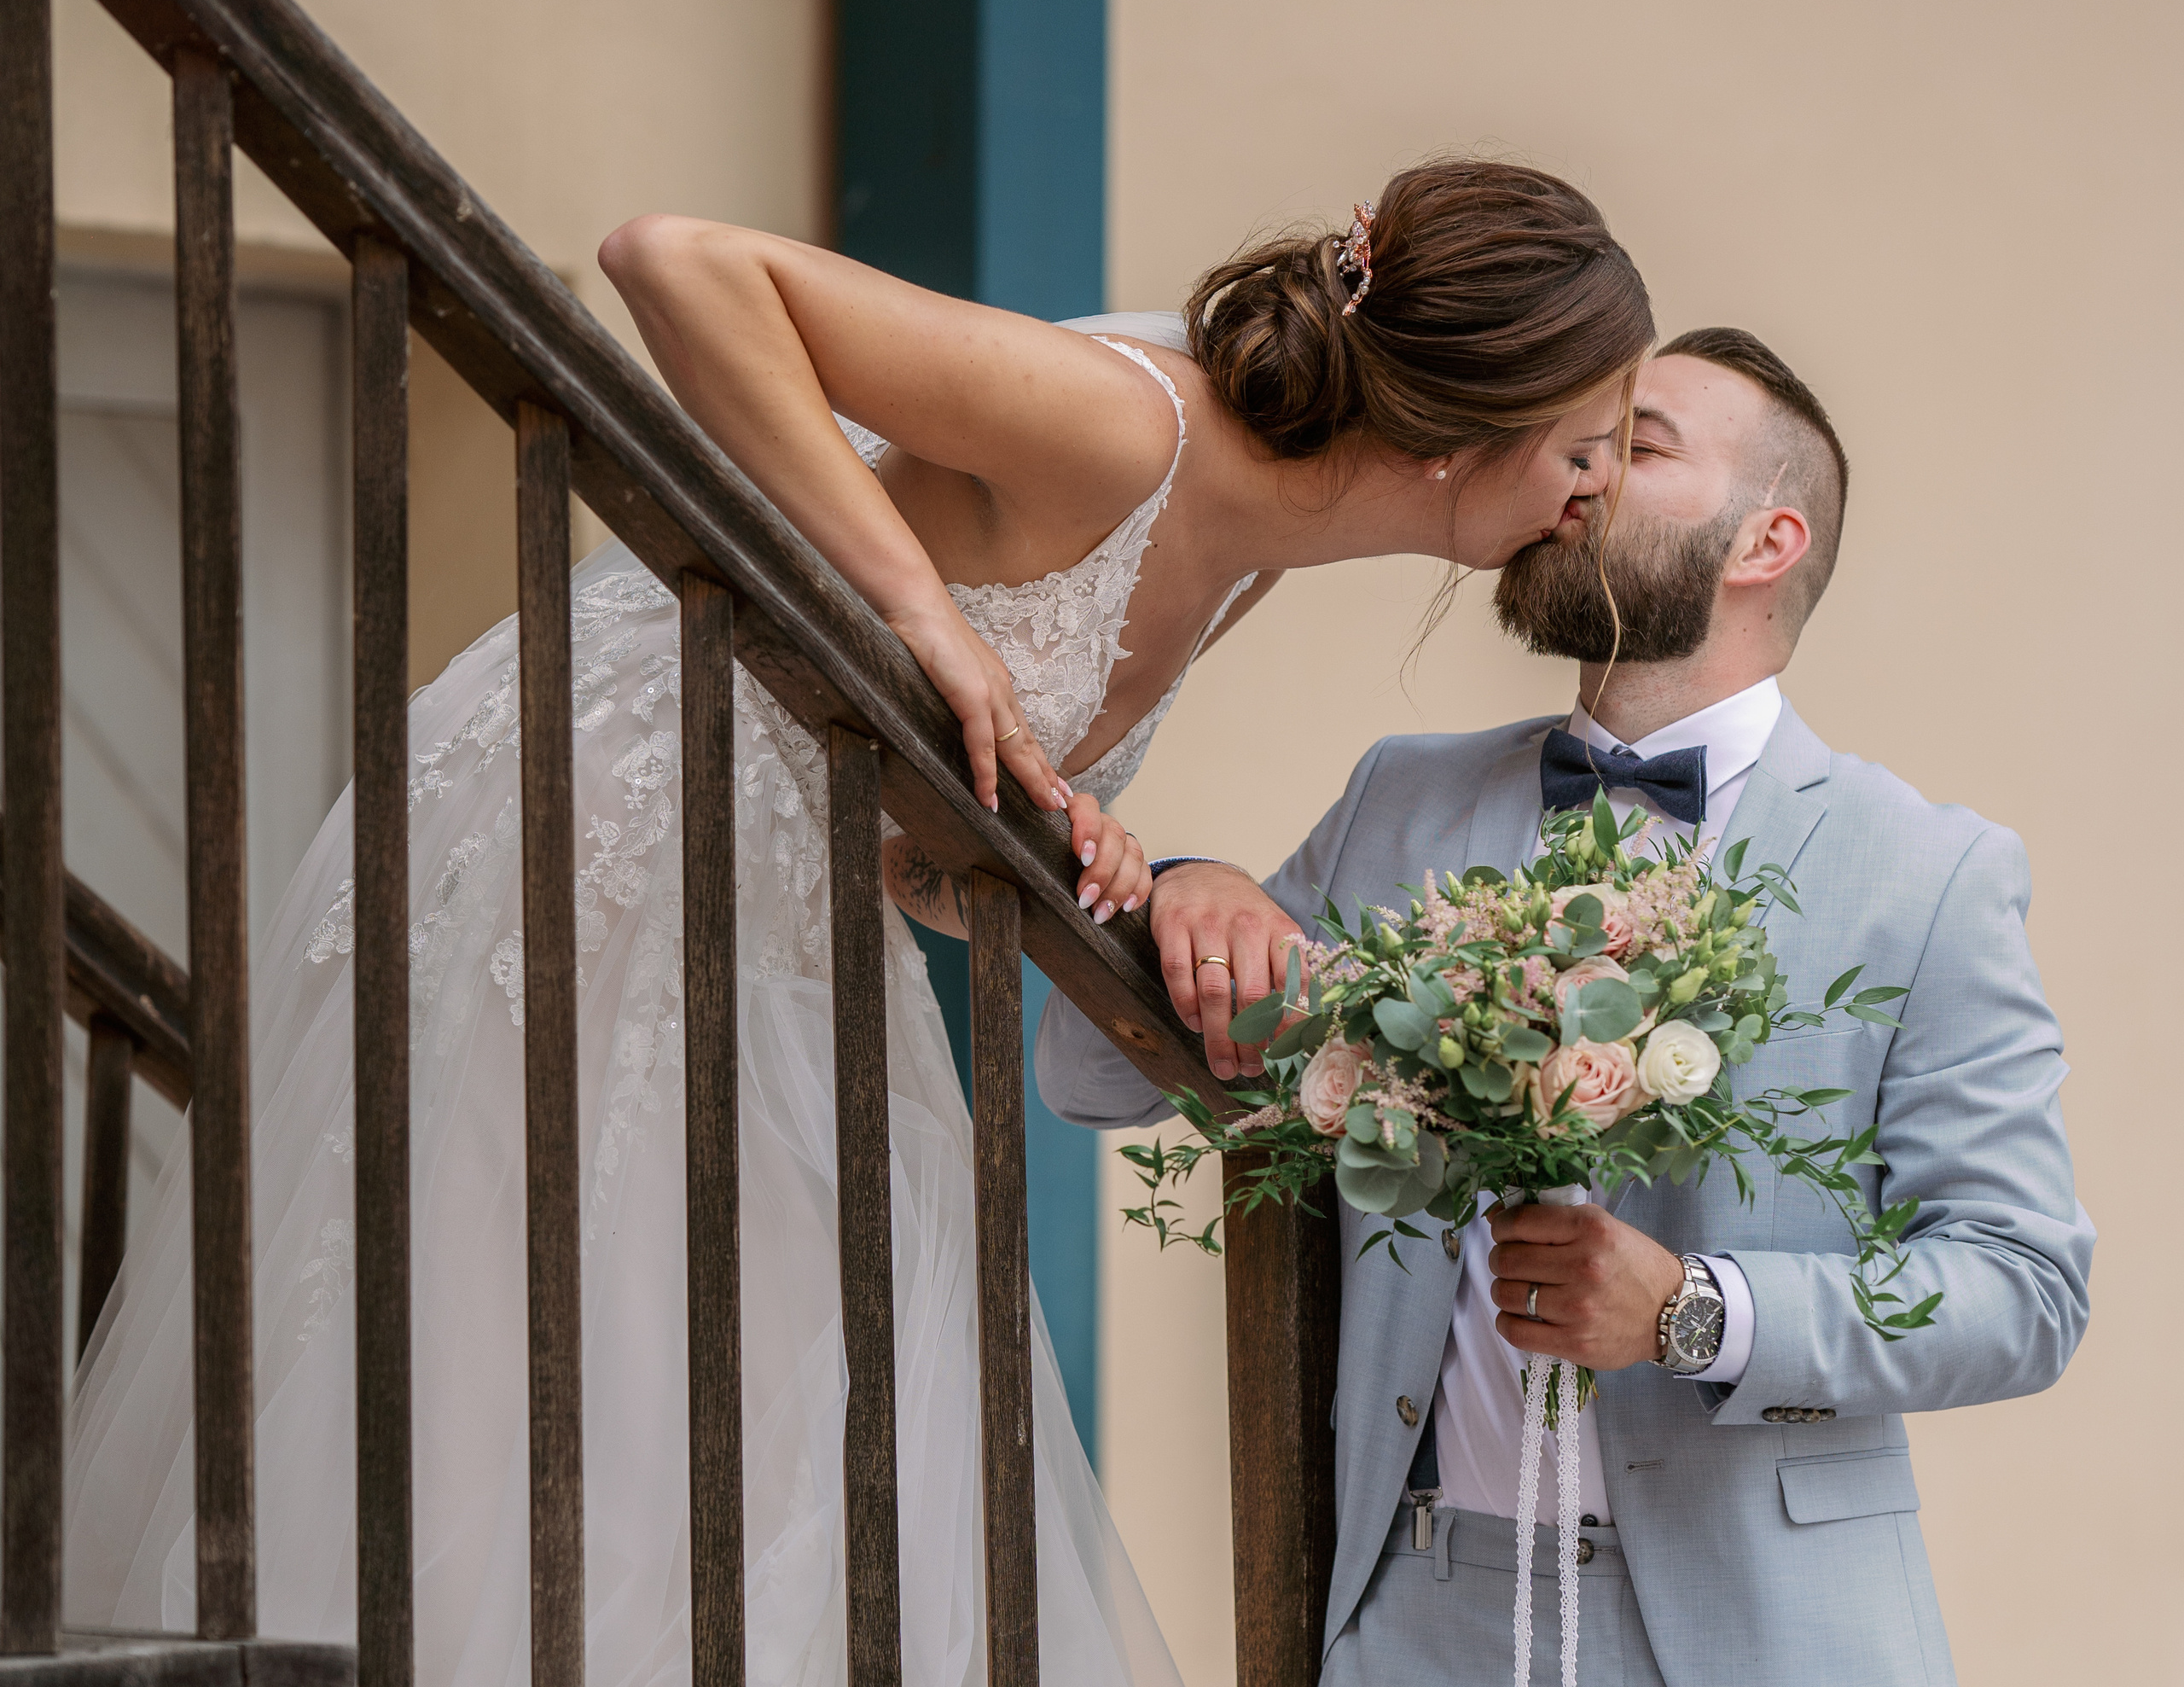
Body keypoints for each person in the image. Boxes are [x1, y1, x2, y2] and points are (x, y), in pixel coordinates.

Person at [62, 160, 1654, 1686]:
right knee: (559, 1371)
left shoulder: (1256, 560)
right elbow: (677, 263)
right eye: (1588, 443)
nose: (1596, 490)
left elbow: (914, 840)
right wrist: (914, 622)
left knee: (779, 1415)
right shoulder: (1127, 426)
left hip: (796, 915)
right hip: (610, 833)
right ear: (1466, 423)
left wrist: (1059, 852)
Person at [1032, 329, 2095, 1686]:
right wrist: (1186, 891)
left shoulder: (1930, 875)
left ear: (1762, 541)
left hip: (1758, 1637)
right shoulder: (1400, 799)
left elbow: (2024, 1288)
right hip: (1411, 1612)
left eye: (1634, 448)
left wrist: (1693, 1312)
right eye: (1569, 447)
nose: (1574, 479)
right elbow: (1094, 1076)